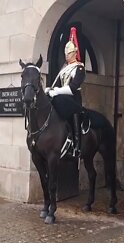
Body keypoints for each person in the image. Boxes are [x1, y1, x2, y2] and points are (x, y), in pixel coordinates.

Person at [45, 27, 86, 157]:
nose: (66, 55)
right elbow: (56, 84)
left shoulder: (79, 68)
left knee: (74, 114)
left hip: (73, 99)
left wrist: (56, 91)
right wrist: (49, 89)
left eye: (69, 53)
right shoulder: (64, 69)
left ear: (74, 53)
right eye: (66, 53)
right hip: (62, 99)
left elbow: (73, 88)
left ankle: (76, 145)